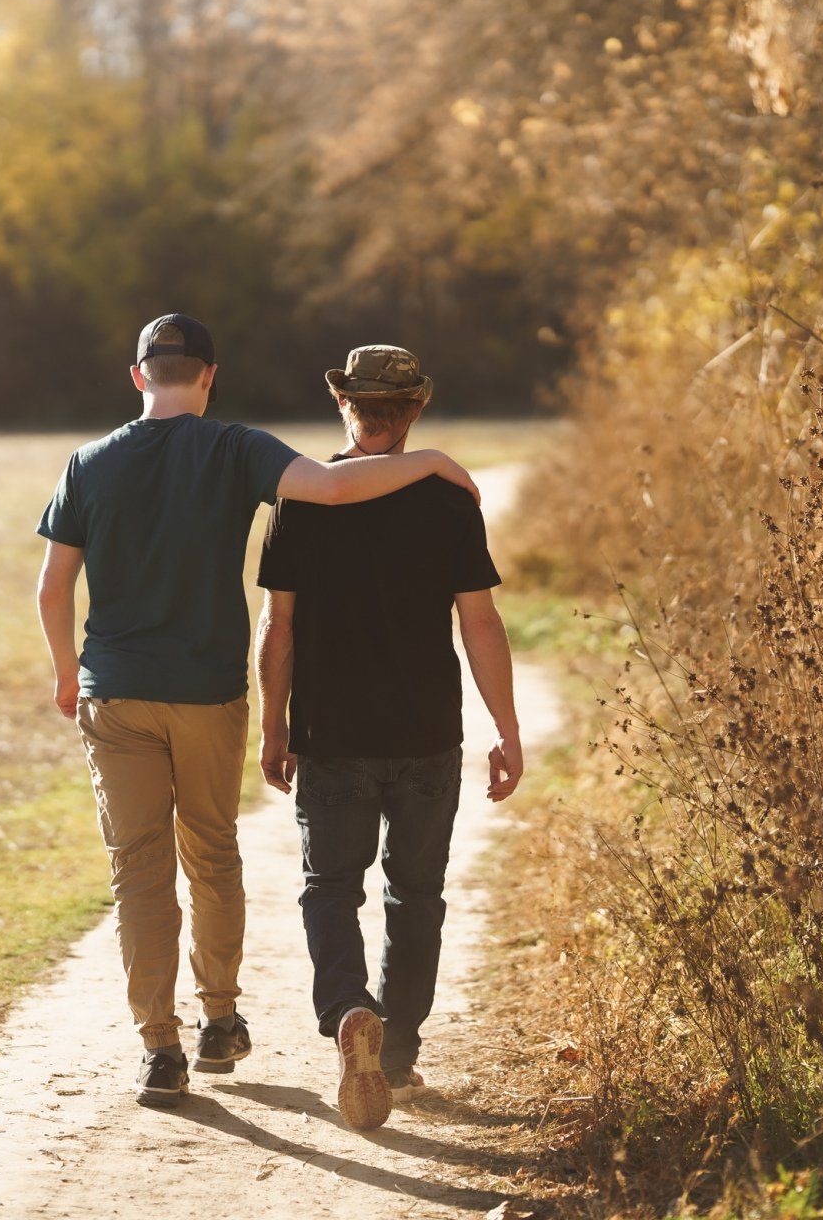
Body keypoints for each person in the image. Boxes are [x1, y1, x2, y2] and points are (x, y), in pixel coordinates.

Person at [34, 315, 481, 1108]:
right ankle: (219, 1021)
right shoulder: (235, 449)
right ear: (209, 376)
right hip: (207, 694)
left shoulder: (88, 462)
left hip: (115, 692)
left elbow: (52, 586)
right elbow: (336, 485)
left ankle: (159, 1048)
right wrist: (436, 462)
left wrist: (69, 674)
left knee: (137, 870)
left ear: (137, 376)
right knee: (211, 853)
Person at [253, 345, 522, 1131]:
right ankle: (396, 1054)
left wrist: (274, 725)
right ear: (415, 410)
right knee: (416, 893)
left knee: (332, 886)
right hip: (426, 733)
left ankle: (348, 1008)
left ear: (345, 404)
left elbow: (277, 627)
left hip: (332, 734)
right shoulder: (448, 500)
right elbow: (480, 621)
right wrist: (506, 729)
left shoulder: (302, 500)